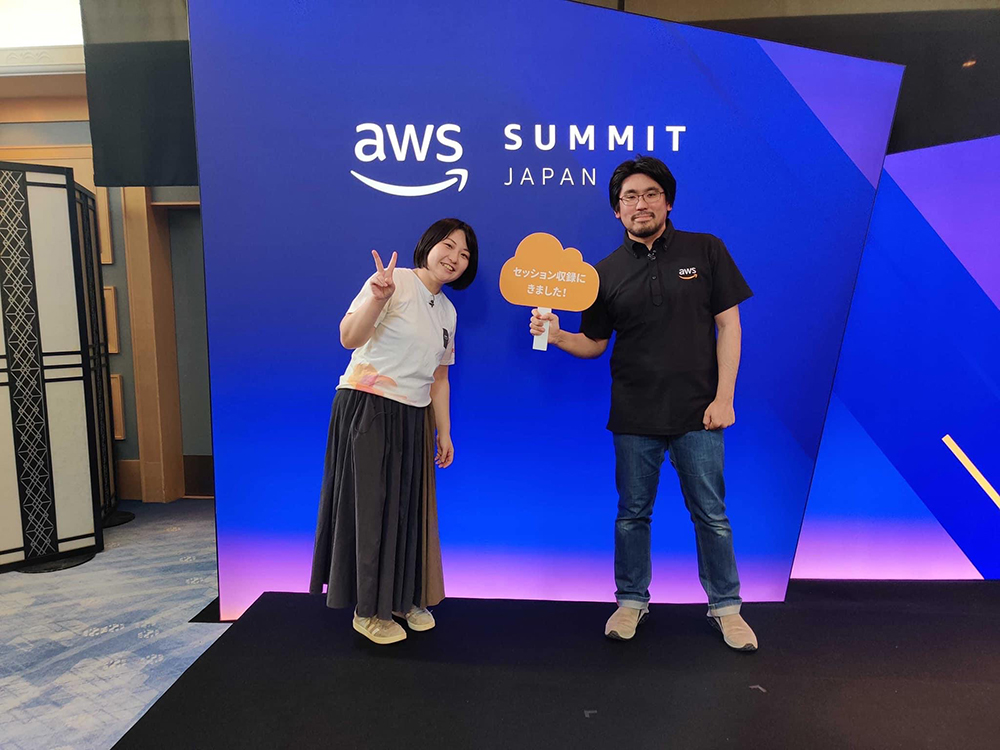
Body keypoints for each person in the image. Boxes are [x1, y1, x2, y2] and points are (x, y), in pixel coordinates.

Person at [530, 156, 757, 651]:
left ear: (667, 201)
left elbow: (730, 326)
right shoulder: (602, 273)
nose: (640, 203)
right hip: (633, 414)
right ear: (617, 211)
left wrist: (724, 398)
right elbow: (594, 343)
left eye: (650, 193)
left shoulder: (707, 249)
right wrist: (557, 335)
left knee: (712, 515)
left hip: (700, 412)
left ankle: (727, 608)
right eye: (629, 197)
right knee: (632, 514)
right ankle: (631, 601)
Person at [310, 218, 478, 645]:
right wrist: (377, 298)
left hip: (413, 416)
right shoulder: (394, 282)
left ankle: (401, 599)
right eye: (448, 246)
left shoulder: (448, 312)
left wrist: (445, 433)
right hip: (368, 406)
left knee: (406, 512)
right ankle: (367, 611)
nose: (454, 258)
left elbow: (439, 377)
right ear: (428, 245)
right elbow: (349, 337)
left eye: (464, 254)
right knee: (371, 512)